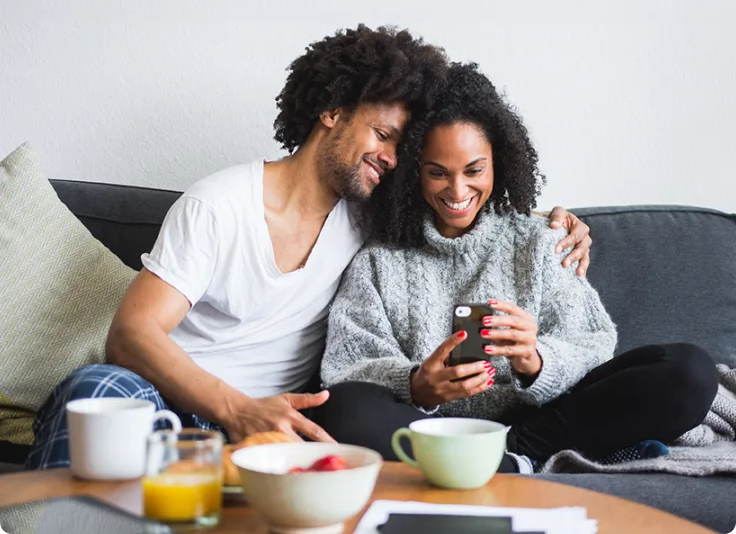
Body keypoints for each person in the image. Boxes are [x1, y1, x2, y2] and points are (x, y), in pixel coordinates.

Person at [26, 28, 592, 470]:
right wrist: (234, 408)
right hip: (174, 403)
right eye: (383, 134)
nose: (392, 158)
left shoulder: (371, 214)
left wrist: (553, 221)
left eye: (402, 146)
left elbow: (463, 205)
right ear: (333, 111)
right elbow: (131, 335)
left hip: (281, 428)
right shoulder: (220, 207)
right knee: (94, 391)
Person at [314, 62, 719, 472]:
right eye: (438, 173)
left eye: (474, 170)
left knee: (691, 373)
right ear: (413, 172)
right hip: (429, 427)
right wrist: (417, 384)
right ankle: (510, 464)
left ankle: (511, 455)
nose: (457, 191)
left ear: (498, 163)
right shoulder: (379, 261)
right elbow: (346, 367)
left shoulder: (541, 240)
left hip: (539, 422)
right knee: (342, 409)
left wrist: (536, 360)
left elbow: (593, 342)